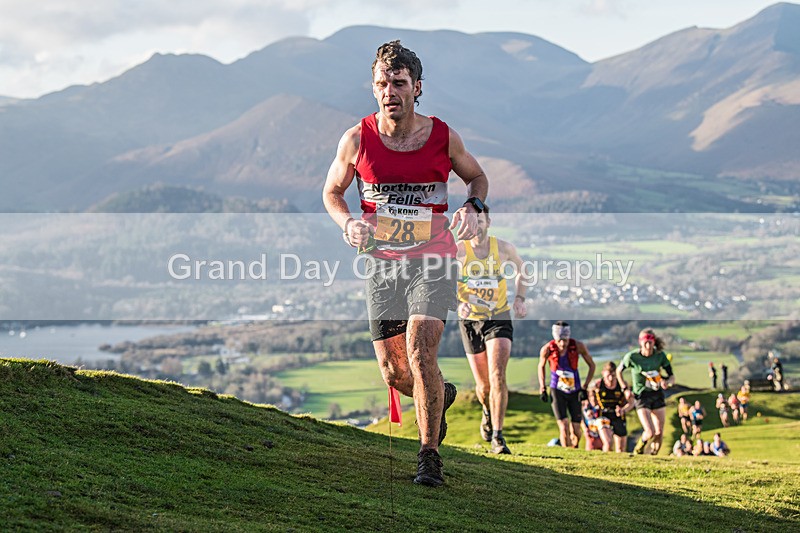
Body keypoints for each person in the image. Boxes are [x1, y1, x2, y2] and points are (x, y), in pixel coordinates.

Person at [322, 40, 489, 487]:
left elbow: (477, 176)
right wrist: (348, 224)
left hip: (433, 259)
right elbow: (332, 193)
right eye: (382, 84)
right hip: (382, 264)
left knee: (419, 348)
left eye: (398, 83)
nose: (389, 91)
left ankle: (429, 456)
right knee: (397, 372)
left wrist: (474, 206)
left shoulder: (441, 135)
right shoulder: (357, 139)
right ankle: (441, 395)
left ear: (417, 88)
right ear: (373, 88)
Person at [456, 207, 528, 454]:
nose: (477, 225)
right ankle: (486, 410)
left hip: (498, 316)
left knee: (498, 376)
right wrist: (458, 303)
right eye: (473, 221)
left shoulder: (504, 248)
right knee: (483, 386)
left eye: (481, 220)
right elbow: (440, 277)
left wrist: (519, 298)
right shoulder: (459, 250)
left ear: (488, 222)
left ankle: (498, 436)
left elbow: (522, 269)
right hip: (470, 321)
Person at [616, 328, 675, 455]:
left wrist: (667, 382)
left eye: (650, 342)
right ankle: (639, 449)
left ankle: (654, 456)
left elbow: (671, 376)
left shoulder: (660, 356)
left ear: (654, 342)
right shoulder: (632, 357)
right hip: (641, 396)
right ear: (640, 342)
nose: (648, 345)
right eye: (645, 342)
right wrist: (625, 388)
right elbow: (618, 371)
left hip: (657, 394)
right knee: (650, 431)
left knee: (659, 432)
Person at [538, 321, 597, 449]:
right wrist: (542, 387)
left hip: (575, 391)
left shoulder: (578, 346)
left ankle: (574, 447)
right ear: (555, 338)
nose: (563, 344)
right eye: (560, 340)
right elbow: (541, 366)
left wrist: (585, 387)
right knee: (563, 426)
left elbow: (592, 365)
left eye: (565, 340)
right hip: (557, 390)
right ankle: (566, 452)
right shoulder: (547, 349)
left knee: (576, 429)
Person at [591, 361, 633, 453]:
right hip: (603, 415)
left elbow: (631, 403)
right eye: (607, 376)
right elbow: (589, 398)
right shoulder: (598, 384)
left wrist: (623, 410)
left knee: (621, 449)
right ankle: (604, 463)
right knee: (608, 442)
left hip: (618, 415)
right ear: (603, 374)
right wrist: (593, 405)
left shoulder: (622, 385)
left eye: (613, 376)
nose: (610, 379)